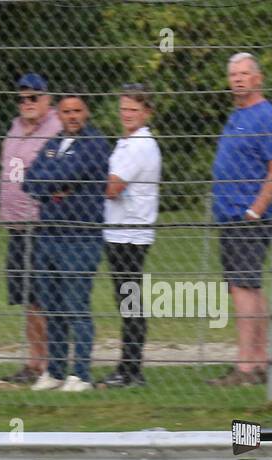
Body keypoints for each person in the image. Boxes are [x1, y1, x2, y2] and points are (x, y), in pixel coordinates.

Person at [22, 94, 111, 392]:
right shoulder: (53, 144)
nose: (72, 116)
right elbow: (29, 180)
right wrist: (56, 187)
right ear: (58, 115)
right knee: (52, 305)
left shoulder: (95, 144)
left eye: (77, 111)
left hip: (80, 235)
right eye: (66, 111)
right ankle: (56, 371)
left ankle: (82, 374)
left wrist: (52, 184)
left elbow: (67, 173)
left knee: (76, 305)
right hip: (49, 234)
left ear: (86, 113)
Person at [209, 52, 272, 386]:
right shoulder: (238, 114)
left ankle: (246, 367)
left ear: (257, 78)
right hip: (230, 215)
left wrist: (256, 210)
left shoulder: (265, 116)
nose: (237, 79)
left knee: (243, 289)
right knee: (248, 288)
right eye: (233, 73)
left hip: (247, 217)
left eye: (244, 73)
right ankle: (261, 362)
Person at [0, 72, 61, 385]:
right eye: (23, 98)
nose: (27, 103)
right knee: (28, 296)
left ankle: (50, 363)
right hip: (18, 225)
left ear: (47, 99)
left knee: (45, 295)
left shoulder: (55, 128)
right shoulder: (15, 127)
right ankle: (34, 363)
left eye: (34, 97)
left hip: (43, 224)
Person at [102, 83, 161, 388]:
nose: (127, 114)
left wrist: (90, 181)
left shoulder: (140, 144)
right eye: (123, 108)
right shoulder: (126, 142)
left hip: (130, 233)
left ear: (146, 112)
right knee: (127, 301)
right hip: (119, 230)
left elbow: (113, 187)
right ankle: (126, 367)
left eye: (133, 110)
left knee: (130, 302)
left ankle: (131, 370)